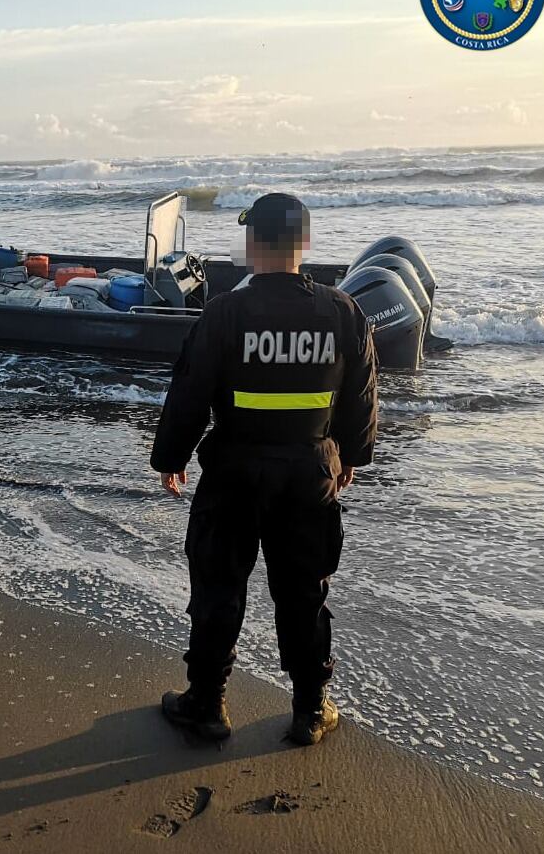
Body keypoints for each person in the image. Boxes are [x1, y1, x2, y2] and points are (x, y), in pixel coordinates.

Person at [150, 192, 377, 746]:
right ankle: (309, 708)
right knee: (303, 593)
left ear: (254, 244)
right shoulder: (343, 312)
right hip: (309, 475)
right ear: (304, 244)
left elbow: (189, 393)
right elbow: (364, 397)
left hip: (233, 475)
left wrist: (170, 457)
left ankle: (207, 704)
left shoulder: (226, 312)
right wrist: (349, 454)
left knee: (218, 588)